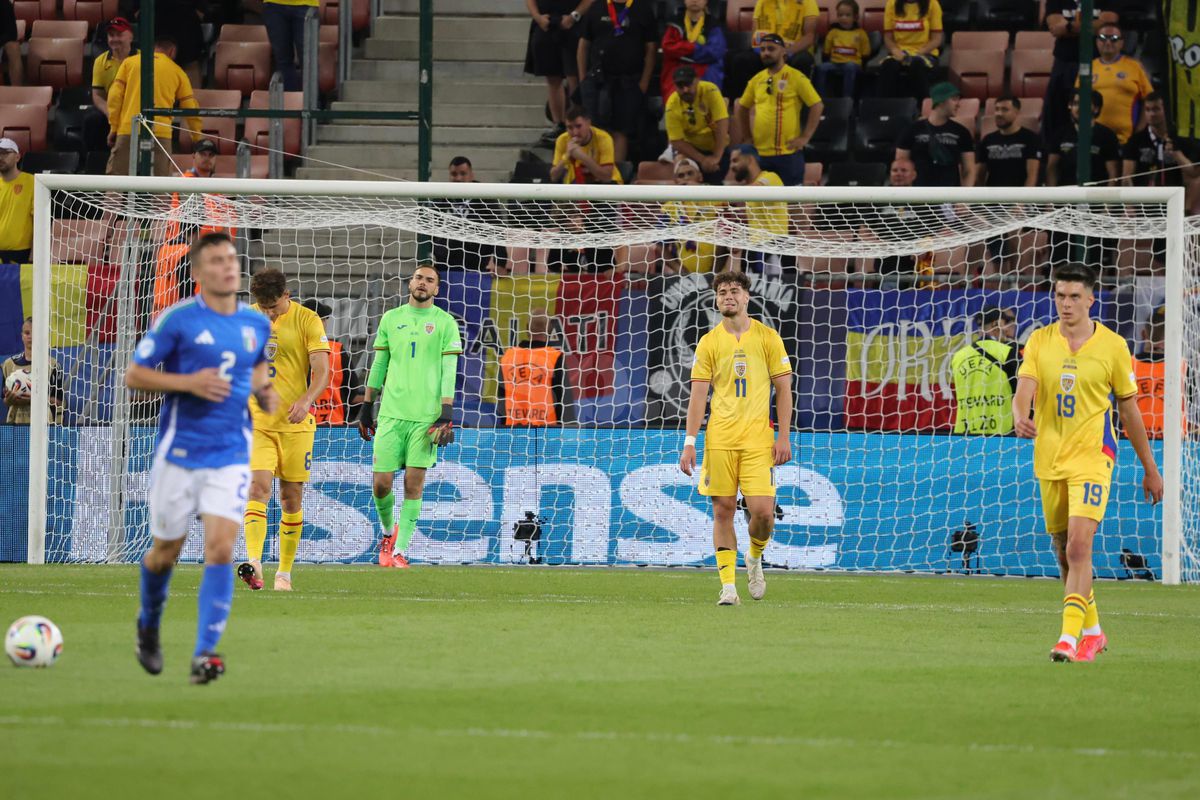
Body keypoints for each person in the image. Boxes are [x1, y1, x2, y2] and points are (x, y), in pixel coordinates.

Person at [126, 231, 277, 684]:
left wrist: (264, 391)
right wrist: (188, 383)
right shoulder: (178, 320)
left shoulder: (255, 323)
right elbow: (135, 375)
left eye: (231, 258)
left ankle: (204, 652)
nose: (227, 266)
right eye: (216, 261)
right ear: (197, 272)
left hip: (230, 452)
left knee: (221, 548)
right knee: (165, 552)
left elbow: (254, 365)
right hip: (179, 453)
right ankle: (149, 623)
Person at [1011, 262, 1163, 662]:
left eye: (1074, 296)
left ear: (1091, 299)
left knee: (1080, 546)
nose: (1066, 304)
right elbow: (1024, 389)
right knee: (1064, 551)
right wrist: (1020, 415)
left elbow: (1129, 410)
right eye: (1060, 296)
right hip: (1050, 456)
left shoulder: (1113, 346)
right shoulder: (1040, 341)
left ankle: (1067, 640)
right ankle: (1093, 632)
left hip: (1095, 456)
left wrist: (1150, 468)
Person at [679, 269, 793, 605]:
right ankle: (728, 586)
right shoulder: (709, 342)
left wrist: (784, 436)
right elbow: (698, 396)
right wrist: (689, 442)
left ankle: (754, 557)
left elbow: (783, 389)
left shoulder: (768, 337)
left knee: (763, 513)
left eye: (734, 291)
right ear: (716, 300)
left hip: (759, 441)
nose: (728, 296)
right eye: (722, 292)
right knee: (723, 510)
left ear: (746, 297)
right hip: (720, 440)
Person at [355, 265, 463, 568]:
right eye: (418, 278)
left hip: (426, 417)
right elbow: (379, 364)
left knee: (413, 484)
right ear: (410, 283)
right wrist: (367, 405)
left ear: (437, 289)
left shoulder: (445, 323)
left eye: (430, 280)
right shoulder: (391, 319)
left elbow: (449, 371)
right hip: (391, 414)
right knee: (381, 484)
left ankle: (400, 550)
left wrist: (446, 412)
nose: (423, 283)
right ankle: (388, 533)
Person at [237, 268, 331, 593]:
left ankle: (285, 574)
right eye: (264, 307)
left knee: (291, 499)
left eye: (273, 307)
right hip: (257, 422)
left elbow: (322, 371)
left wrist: (306, 400)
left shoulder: (307, 320)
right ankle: (255, 562)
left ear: (287, 295)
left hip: (295, 424)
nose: (268, 313)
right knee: (257, 488)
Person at [734, 33, 825, 187]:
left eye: (771, 49)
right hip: (760, 154)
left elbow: (817, 105)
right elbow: (742, 107)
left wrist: (805, 137)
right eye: (763, 49)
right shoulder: (757, 80)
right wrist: (747, 136)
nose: (766, 53)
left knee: (792, 199)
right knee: (761, 199)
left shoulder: (796, 77)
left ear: (783, 51)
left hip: (788, 153)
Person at [106, 37, 202, 177]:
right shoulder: (178, 71)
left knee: (115, 182)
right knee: (160, 184)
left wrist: (114, 127)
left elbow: (114, 97)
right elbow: (190, 107)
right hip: (160, 133)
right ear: (172, 51)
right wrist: (197, 137)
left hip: (128, 128)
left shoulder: (129, 63)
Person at [577, 0, 658, 163]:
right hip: (598, 80)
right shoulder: (597, 7)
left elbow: (651, 49)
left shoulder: (643, 8)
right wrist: (583, 79)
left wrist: (643, 83)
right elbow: (583, 44)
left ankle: (615, 173)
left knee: (621, 131)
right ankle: (594, 170)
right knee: (593, 128)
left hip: (628, 81)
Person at [1043, 1, 1119, 139]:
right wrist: (1090, 26)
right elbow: (1055, 27)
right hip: (1065, 63)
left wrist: (1069, 27)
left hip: (1098, 63)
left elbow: (1106, 26)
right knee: (1057, 112)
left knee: (1096, 108)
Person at [524, 0, 594, 145]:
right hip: (547, 24)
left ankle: (577, 123)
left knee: (574, 78)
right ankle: (559, 125)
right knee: (552, 78)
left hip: (574, 24)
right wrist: (538, 17)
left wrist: (574, 16)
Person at [728, 0, 820, 99]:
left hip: (793, 51)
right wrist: (766, 51)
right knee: (741, 60)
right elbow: (756, 34)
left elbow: (809, 37)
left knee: (803, 61)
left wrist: (785, 52)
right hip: (766, 49)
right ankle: (745, 104)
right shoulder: (762, 2)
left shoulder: (808, 2)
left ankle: (797, 105)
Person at [497, 308, 574, 426]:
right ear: (550, 330)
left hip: (513, 431)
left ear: (527, 328)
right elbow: (565, 403)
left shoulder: (508, 358)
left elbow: (501, 402)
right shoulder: (554, 357)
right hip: (547, 432)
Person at [431, 156, 508, 272]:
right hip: (444, 266)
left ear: (471, 175)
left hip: (476, 266)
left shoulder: (486, 199)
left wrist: (500, 263)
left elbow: (497, 230)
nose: (458, 178)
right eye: (454, 174)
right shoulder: (440, 200)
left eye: (463, 174)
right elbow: (427, 232)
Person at [1079, 24, 1152, 144]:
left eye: (1113, 39)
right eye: (1103, 38)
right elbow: (1077, 100)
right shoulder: (1086, 67)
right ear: (1096, 41)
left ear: (1122, 43)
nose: (1108, 42)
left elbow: (1148, 100)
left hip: (1125, 140)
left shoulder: (1135, 66)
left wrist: (1139, 130)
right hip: (1092, 138)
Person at [950, 307, 1019, 435]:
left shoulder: (958, 357)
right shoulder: (1007, 352)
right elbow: (1020, 394)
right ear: (996, 324)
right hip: (1001, 434)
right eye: (1005, 323)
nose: (1007, 329)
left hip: (963, 433)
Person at [895, 81, 975, 188]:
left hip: (950, 193)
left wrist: (964, 195)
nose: (958, 104)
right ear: (941, 101)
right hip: (919, 193)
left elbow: (969, 170)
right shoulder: (912, 130)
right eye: (954, 99)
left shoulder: (962, 132)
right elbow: (900, 165)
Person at [663, 66, 730, 184]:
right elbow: (676, 141)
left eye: (688, 84)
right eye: (680, 86)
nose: (685, 90)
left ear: (697, 80)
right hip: (691, 149)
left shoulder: (710, 90)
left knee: (717, 175)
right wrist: (703, 159)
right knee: (685, 170)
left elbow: (722, 123)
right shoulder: (672, 105)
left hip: (717, 144)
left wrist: (716, 157)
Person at [729, 144, 788, 275]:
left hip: (775, 246)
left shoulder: (771, 177)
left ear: (750, 159)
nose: (731, 166)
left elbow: (756, 187)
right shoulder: (747, 191)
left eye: (735, 160)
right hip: (754, 248)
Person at [1046, 90, 1121, 187]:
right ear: (1070, 106)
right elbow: (1052, 168)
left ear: (1096, 109)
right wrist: (1051, 194)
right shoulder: (1060, 134)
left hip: (1096, 193)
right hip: (1065, 193)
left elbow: (1113, 174)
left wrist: (1108, 196)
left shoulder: (1107, 135)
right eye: (1075, 104)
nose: (1079, 108)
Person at [662, 158, 721, 274]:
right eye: (681, 175)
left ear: (700, 177)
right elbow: (660, 245)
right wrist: (680, 270)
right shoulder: (669, 207)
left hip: (716, 271)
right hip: (684, 276)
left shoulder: (715, 199)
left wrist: (715, 271)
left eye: (690, 173)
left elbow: (728, 234)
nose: (686, 178)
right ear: (676, 181)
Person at [302, 298, 354, 426]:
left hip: (297, 421)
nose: (326, 323)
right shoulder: (337, 350)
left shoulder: (290, 349)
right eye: (324, 319)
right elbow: (352, 390)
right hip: (333, 423)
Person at [878, 0, 943, 102]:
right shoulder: (891, 4)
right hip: (900, 53)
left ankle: (923, 106)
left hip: (925, 53)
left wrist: (918, 53)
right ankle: (886, 107)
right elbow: (888, 38)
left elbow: (937, 39)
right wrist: (895, 50)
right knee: (888, 65)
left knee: (916, 64)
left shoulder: (932, 4)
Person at [3, 317, 63, 425]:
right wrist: (9, 400)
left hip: (43, 425)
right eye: (27, 333)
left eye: (35, 333)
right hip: (16, 425)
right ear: (22, 336)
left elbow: (58, 402)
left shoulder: (53, 365)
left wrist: (32, 398)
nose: (30, 336)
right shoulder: (9, 365)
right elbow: (5, 400)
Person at [660, 0, 726, 99]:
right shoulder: (674, 23)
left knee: (707, 90)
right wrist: (693, 48)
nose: (695, 0)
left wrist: (685, 50)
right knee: (674, 92)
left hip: (706, 67)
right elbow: (668, 47)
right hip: (678, 67)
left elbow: (715, 51)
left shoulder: (714, 25)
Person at [88, 17, 136, 152]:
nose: (114, 39)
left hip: (134, 108)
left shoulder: (142, 59)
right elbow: (97, 95)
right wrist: (110, 113)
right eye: (111, 35)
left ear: (131, 37)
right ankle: (94, 159)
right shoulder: (100, 61)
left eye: (119, 35)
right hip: (111, 109)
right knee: (92, 120)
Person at [975, 96, 1042, 188]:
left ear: (1016, 112)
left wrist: (1024, 196)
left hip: (1020, 194)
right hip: (993, 194)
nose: (999, 113)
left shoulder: (1030, 138)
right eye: (997, 109)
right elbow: (979, 175)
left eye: (1005, 109)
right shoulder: (987, 140)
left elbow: (1032, 175)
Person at [550, 105, 622, 184]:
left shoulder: (604, 138)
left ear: (588, 123)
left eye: (578, 126)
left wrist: (582, 157)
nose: (575, 132)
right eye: (570, 128)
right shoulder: (562, 140)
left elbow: (606, 178)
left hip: (607, 184)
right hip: (578, 183)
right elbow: (553, 177)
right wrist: (566, 156)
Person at [815, 0, 870, 100]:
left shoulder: (861, 33)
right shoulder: (833, 32)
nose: (843, 18)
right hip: (835, 63)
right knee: (821, 68)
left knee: (849, 67)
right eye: (840, 15)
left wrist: (862, 65)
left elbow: (866, 53)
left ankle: (847, 98)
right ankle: (820, 98)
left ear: (855, 17)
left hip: (853, 64)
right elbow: (826, 52)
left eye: (847, 15)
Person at [262, 0, 316, 92]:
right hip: (274, 5)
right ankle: (289, 98)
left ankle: (312, 99)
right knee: (282, 59)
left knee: (308, 59)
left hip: (306, 4)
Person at [1131, 305, 1167, 440]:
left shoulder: (1128, 364)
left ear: (1143, 334)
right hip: (1173, 442)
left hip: (1130, 440)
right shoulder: (1182, 367)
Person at [0, 138, 33, 264]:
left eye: (5, 153)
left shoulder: (31, 182)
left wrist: (34, 253)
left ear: (17, 157)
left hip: (20, 253)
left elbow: (39, 221)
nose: (0, 157)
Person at [0, 0, 24, 86]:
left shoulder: (4, 4)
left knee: (14, 47)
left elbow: (12, 34)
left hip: (1, 42)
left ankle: (17, 91)